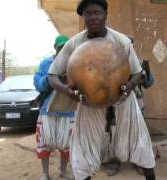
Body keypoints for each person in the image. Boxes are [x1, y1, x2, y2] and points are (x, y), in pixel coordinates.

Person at [48, 1, 156, 180]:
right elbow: (52, 76)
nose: (93, 18)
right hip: (88, 104)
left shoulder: (121, 41)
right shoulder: (74, 43)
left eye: (97, 13)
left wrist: (129, 87)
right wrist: (66, 90)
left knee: (141, 145)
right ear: (83, 18)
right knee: (82, 153)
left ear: (105, 14)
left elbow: (138, 73)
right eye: (88, 14)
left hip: (123, 103)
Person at [103, 36, 155, 176]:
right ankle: (114, 161)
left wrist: (147, 70)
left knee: (137, 135)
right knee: (114, 134)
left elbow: (148, 84)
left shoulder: (138, 63)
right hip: (115, 105)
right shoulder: (111, 63)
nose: (128, 48)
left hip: (136, 104)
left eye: (131, 45)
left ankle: (139, 162)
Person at [34, 35, 75, 180]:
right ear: (55, 48)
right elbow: (38, 84)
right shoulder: (46, 63)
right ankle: (45, 174)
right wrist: (51, 77)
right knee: (44, 143)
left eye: (66, 47)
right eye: (60, 47)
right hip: (47, 111)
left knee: (67, 145)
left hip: (68, 112)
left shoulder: (74, 63)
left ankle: (63, 172)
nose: (63, 50)